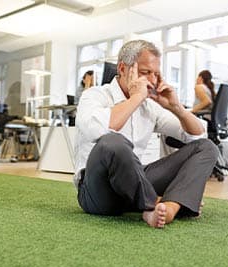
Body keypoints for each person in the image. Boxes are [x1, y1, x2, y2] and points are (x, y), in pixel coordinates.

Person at [74, 40, 219, 229]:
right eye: (145, 73)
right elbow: (99, 131)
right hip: (98, 193)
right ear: (123, 69)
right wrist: (136, 97)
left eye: (156, 74)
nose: (151, 81)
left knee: (207, 147)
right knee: (112, 142)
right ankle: (156, 202)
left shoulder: (150, 106)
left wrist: (177, 108)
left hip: (134, 183)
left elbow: (196, 136)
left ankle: (169, 208)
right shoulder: (95, 95)